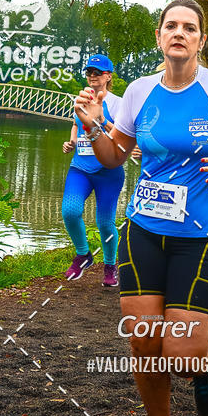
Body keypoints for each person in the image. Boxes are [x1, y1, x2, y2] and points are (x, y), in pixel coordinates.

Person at [74, 0, 208, 416]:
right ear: (159, 37)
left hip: (198, 238)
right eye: (171, 26)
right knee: (144, 342)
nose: (179, 33)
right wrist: (94, 122)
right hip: (144, 231)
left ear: (201, 39)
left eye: (190, 27)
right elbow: (114, 156)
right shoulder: (139, 91)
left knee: (179, 352)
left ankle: (204, 363)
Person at [62, 54, 124, 287]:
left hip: (109, 171)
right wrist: (71, 142)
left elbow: (123, 136)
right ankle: (83, 254)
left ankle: (110, 266)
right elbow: (76, 125)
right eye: (89, 72)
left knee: (105, 223)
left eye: (97, 72)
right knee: (70, 211)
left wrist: (103, 119)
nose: (92, 76)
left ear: (108, 76)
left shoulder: (118, 103)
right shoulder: (80, 98)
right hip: (81, 168)